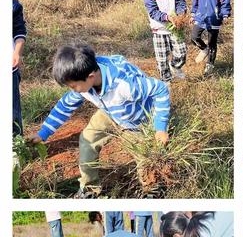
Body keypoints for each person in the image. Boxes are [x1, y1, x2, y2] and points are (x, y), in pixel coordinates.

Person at [28, 43, 170, 198]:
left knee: (145, 157)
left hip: (138, 120)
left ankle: (153, 190)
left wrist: (160, 128)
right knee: (88, 138)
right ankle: (89, 189)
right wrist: (42, 134)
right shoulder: (83, 79)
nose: (73, 90)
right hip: (109, 111)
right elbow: (64, 107)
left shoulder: (125, 85)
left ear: (90, 77)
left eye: (74, 86)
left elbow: (161, 90)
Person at [143, 0, 187, 83]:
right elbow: (153, 11)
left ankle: (175, 66)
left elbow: (181, 2)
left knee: (182, 51)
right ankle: (166, 81)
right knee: (162, 59)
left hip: (175, 27)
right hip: (158, 28)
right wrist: (167, 17)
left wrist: (180, 15)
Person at [191, 0, 231, 75]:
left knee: (212, 43)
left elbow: (225, 0)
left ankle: (210, 65)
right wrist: (193, 13)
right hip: (200, 16)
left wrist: (225, 14)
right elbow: (195, 0)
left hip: (214, 18)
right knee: (194, 37)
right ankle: (204, 49)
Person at [13, 0, 27, 137]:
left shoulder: (12, 4)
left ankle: (15, 149)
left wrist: (17, 53)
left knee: (12, 111)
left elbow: (19, 31)